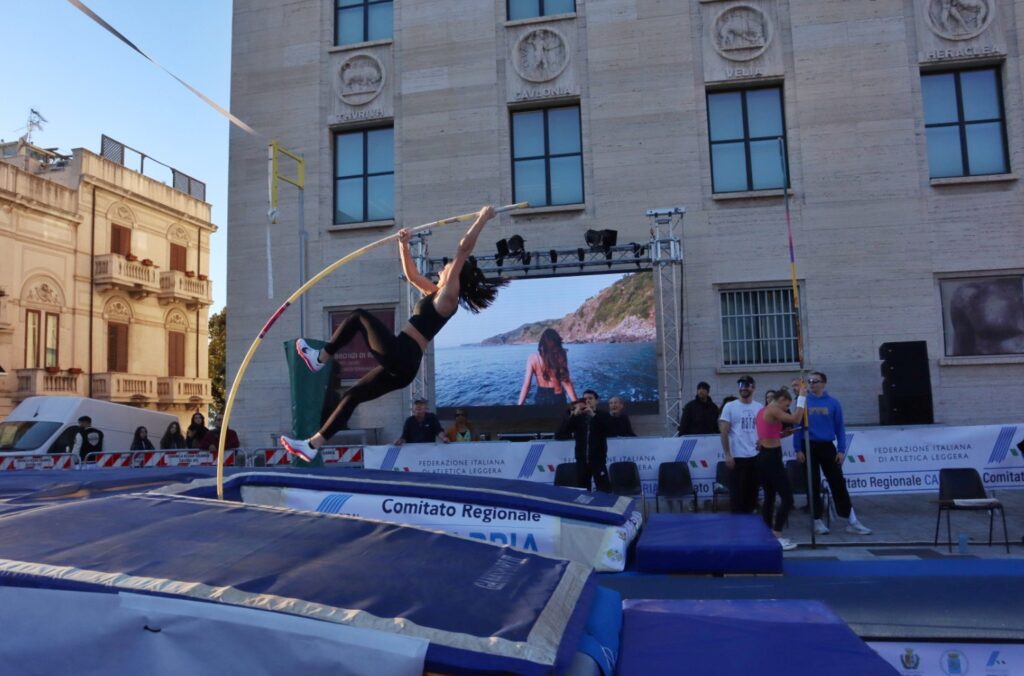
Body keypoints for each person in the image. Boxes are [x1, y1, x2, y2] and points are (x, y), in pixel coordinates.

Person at [282, 206, 504, 461]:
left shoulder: (448, 296)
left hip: (403, 354)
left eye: (446, 268)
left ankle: (320, 358)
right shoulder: (435, 293)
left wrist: (482, 218)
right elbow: (412, 276)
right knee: (352, 396)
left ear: (455, 276)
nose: (441, 269)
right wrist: (403, 244)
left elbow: (463, 249)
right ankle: (312, 446)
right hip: (405, 365)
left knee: (358, 316)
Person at [798, 371, 872, 535]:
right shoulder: (803, 402)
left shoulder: (833, 403)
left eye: (815, 381)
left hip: (827, 446)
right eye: (810, 381)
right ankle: (817, 520)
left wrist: (841, 449)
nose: (812, 384)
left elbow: (839, 427)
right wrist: (798, 449)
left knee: (838, 482)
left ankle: (851, 520)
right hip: (808, 445)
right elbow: (798, 427)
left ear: (823, 383)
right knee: (812, 483)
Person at [756, 385, 807, 551]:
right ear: (782, 399)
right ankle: (777, 534)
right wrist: (802, 397)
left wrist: (784, 434)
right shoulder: (773, 409)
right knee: (787, 498)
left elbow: (768, 433)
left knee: (770, 497)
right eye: (787, 405)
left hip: (765, 455)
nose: (786, 409)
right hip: (771, 457)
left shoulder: (762, 411)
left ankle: (766, 534)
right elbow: (796, 419)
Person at [718, 376, 762, 514]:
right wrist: (727, 454)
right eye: (741, 385)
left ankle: (750, 522)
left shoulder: (759, 407)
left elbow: (763, 429)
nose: (743, 388)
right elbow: (724, 432)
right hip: (737, 457)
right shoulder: (730, 406)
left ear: (753, 387)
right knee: (737, 496)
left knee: (752, 494)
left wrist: (762, 440)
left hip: (755, 456)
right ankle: (738, 524)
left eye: (747, 385)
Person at [556, 390, 612, 492]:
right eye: (585, 399)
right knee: (583, 491)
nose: (587, 401)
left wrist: (593, 416)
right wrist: (573, 416)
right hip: (581, 461)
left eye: (590, 398)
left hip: (598, 461)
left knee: (604, 490)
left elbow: (610, 430)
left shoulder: (603, 415)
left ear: (597, 401)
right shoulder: (578, 417)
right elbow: (560, 434)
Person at [518, 328, 577, 406]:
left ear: (542, 343)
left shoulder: (533, 358)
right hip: (558, 396)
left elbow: (527, 385)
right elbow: (566, 382)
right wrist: (576, 403)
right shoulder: (560, 356)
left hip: (541, 398)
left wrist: (519, 406)